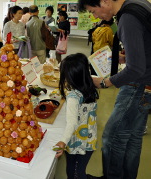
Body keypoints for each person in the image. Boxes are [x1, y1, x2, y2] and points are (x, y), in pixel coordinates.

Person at [78, 0, 151, 178]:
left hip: (136, 86)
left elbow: (135, 70)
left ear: (105, 2)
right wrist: (130, 57)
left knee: (112, 138)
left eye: (93, 10)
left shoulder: (127, 18)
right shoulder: (139, 4)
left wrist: (105, 82)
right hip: (147, 85)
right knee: (132, 137)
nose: (95, 16)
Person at [55, 53, 99, 179]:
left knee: (74, 172)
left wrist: (63, 141)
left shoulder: (73, 96)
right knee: (79, 169)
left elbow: (72, 122)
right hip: (89, 139)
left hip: (76, 142)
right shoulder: (89, 87)